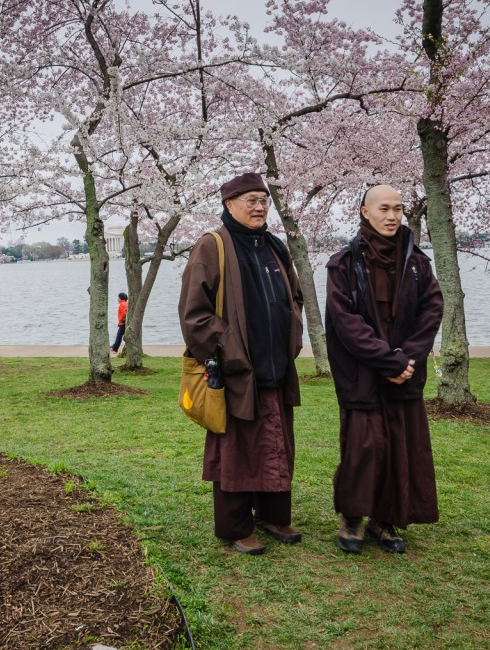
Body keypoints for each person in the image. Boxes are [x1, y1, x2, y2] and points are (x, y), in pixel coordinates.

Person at [178, 171, 305, 555]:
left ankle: (272, 515)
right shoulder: (212, 246)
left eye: (264, 200)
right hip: (236, 371)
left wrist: (292, 335)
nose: (260, 206)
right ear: (228, 204)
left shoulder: (274, 247)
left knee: (276, 443)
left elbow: (294, 297)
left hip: (277, 368)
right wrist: (231, 350)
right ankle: (235, 526)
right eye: (250, 200)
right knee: (235, 451)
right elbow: (194, 313)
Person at [324, 184, 444, 555]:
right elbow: (344, 321)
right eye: (384, 209)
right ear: (365, 211)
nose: (392, 216)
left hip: (404, 372)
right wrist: (386, 360)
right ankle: (352, 517)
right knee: (363, 447)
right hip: (362, 372)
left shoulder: (418, 263)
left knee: (400, 446)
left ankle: (386, 518)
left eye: (398, 209)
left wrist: (406, 360)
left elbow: (431, 311)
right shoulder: (343, 263)